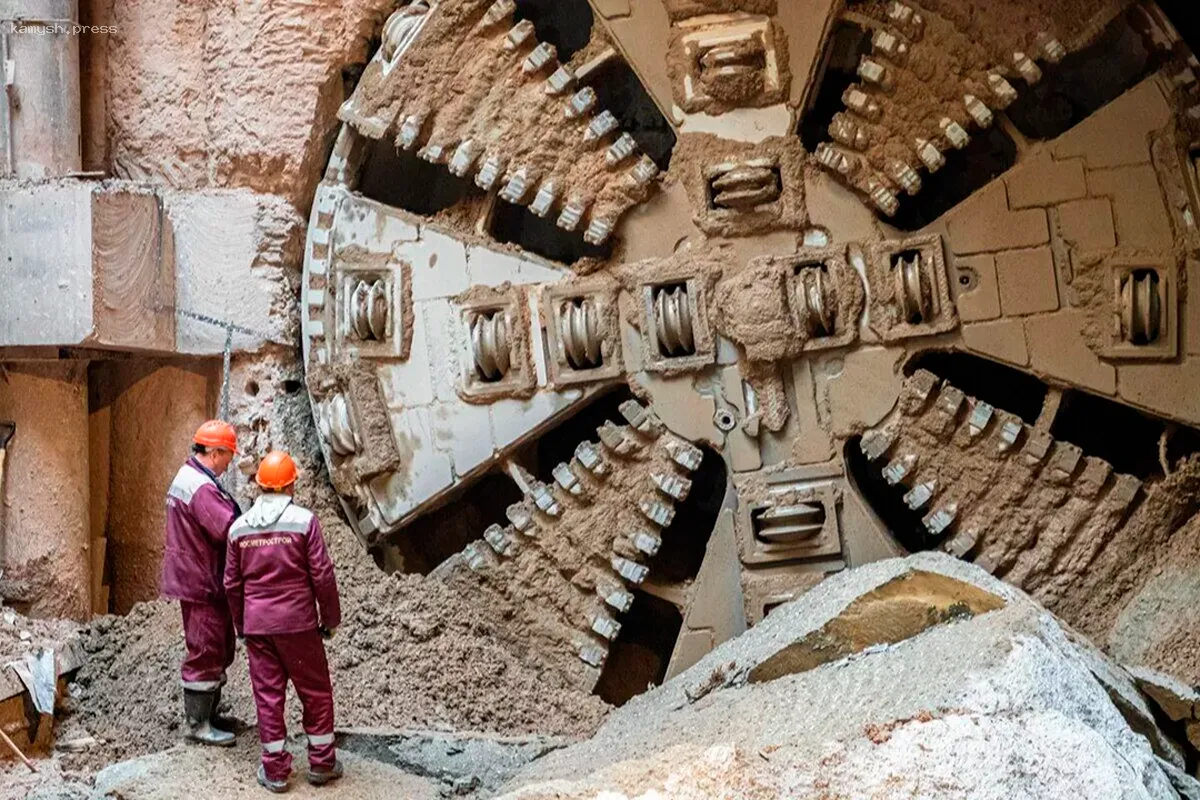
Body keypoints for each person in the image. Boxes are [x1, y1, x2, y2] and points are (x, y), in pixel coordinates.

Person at [224, 450, 343, 792]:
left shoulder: (238, 528)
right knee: (316, 693)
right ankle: (321, 763)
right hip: (299, 624)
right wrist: (330, 618)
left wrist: (241, 625)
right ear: (291, 485)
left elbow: (231, 584)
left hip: (259, 627)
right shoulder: (304, 522)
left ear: (259, 485)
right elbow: (322, 575)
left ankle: (275, 771)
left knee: (268, 696)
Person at [162, 420, 242, 747]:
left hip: (197, 576)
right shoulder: (201, 488)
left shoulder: (192, 476)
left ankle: (210, 715)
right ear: (215, 452)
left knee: (218, 646)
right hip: (202, 580)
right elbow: (227, 529)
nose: (230, 463)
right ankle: (198, 725)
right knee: (206, 649)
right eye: (229, 456)